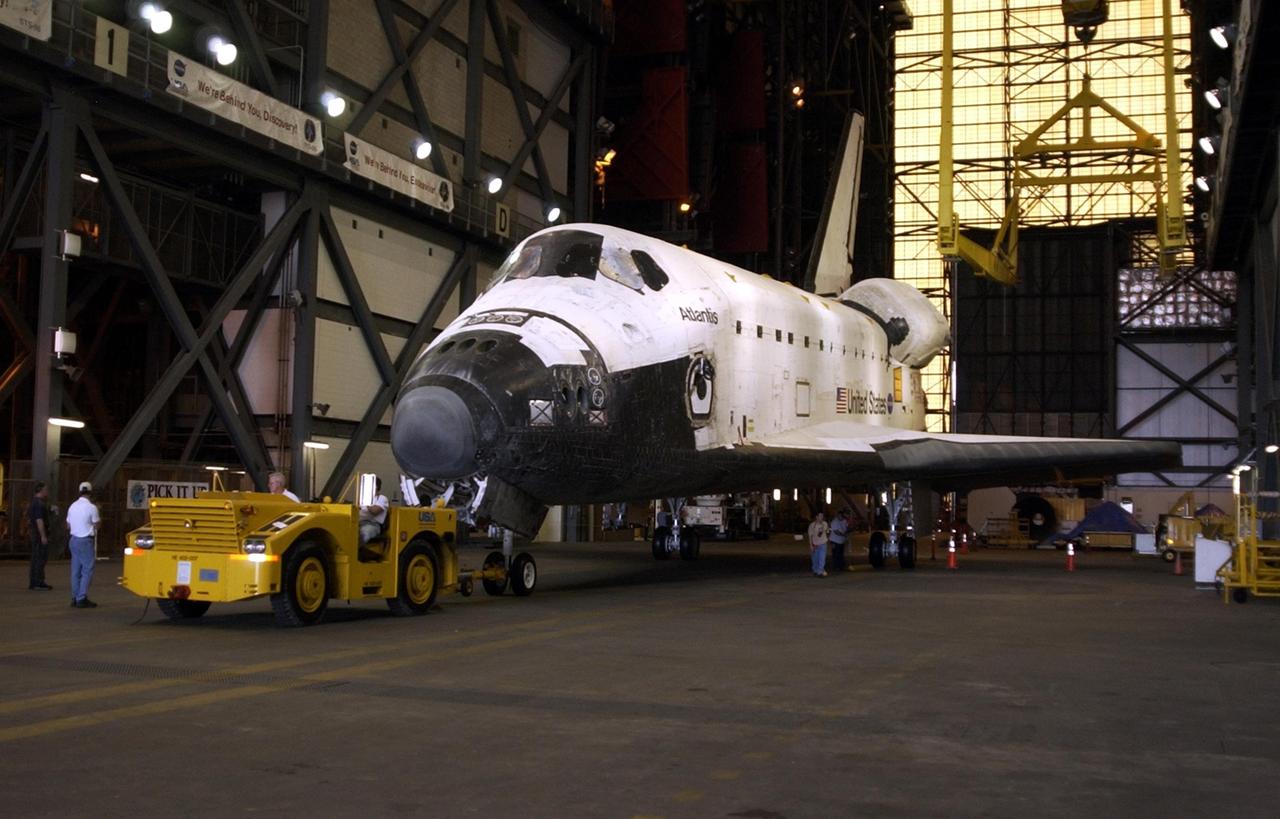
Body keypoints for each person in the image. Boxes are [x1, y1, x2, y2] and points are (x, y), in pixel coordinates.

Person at [66, 481, 101, 608]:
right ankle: (82, 597)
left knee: (75, 570)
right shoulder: (92, 507)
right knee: (87, 570)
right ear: (90, 493)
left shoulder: (72, 506)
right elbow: (97, 524)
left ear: (80, 492)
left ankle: (75, 597)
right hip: (85, 541)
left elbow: (68, 525)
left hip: (73, 540)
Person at [27, 481, 53, 590]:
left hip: (35, 533)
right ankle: (38, 582)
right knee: (40, 558)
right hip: (38, 534)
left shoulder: (35, 502)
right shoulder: (38, 504)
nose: (47, 491)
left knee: (36, 558)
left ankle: (35, 581)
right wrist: (43, 535)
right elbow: (39, 520)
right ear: (41, 490)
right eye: (46, 489)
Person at [358, 477, 389, 544]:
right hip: (358, 523)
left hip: (372, 525)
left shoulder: (382, 498)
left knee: (363, 534)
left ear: (376, 487)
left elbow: (375, 511)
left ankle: (355, 552)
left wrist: (366, 502)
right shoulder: (363, 499)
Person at [807, 511, 829, 577]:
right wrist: (811, 545)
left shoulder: (825, 523)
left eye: (822, 516)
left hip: (823, 543)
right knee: (815, 559)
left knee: (822, 558)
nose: (821, 518)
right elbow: (810, 535)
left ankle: (820, 572)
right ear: (816, 517)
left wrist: (827, 530)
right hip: (815, 544)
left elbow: (826, 532)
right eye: (820, 516)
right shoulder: (812, 525)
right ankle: (815, 570)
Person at [829, 507, 851, 572]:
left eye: (842, 516)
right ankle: (836, 566)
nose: (842, 517)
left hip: (841, 541)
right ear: (838, 515)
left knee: (841, 554)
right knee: (836, 554)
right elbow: (836, 532)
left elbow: (846, 528)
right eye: (840, 516)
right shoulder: (834, 521)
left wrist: (847, 532)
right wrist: (844, 535)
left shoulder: (844, 521)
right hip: (834, 541)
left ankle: (841, 566)